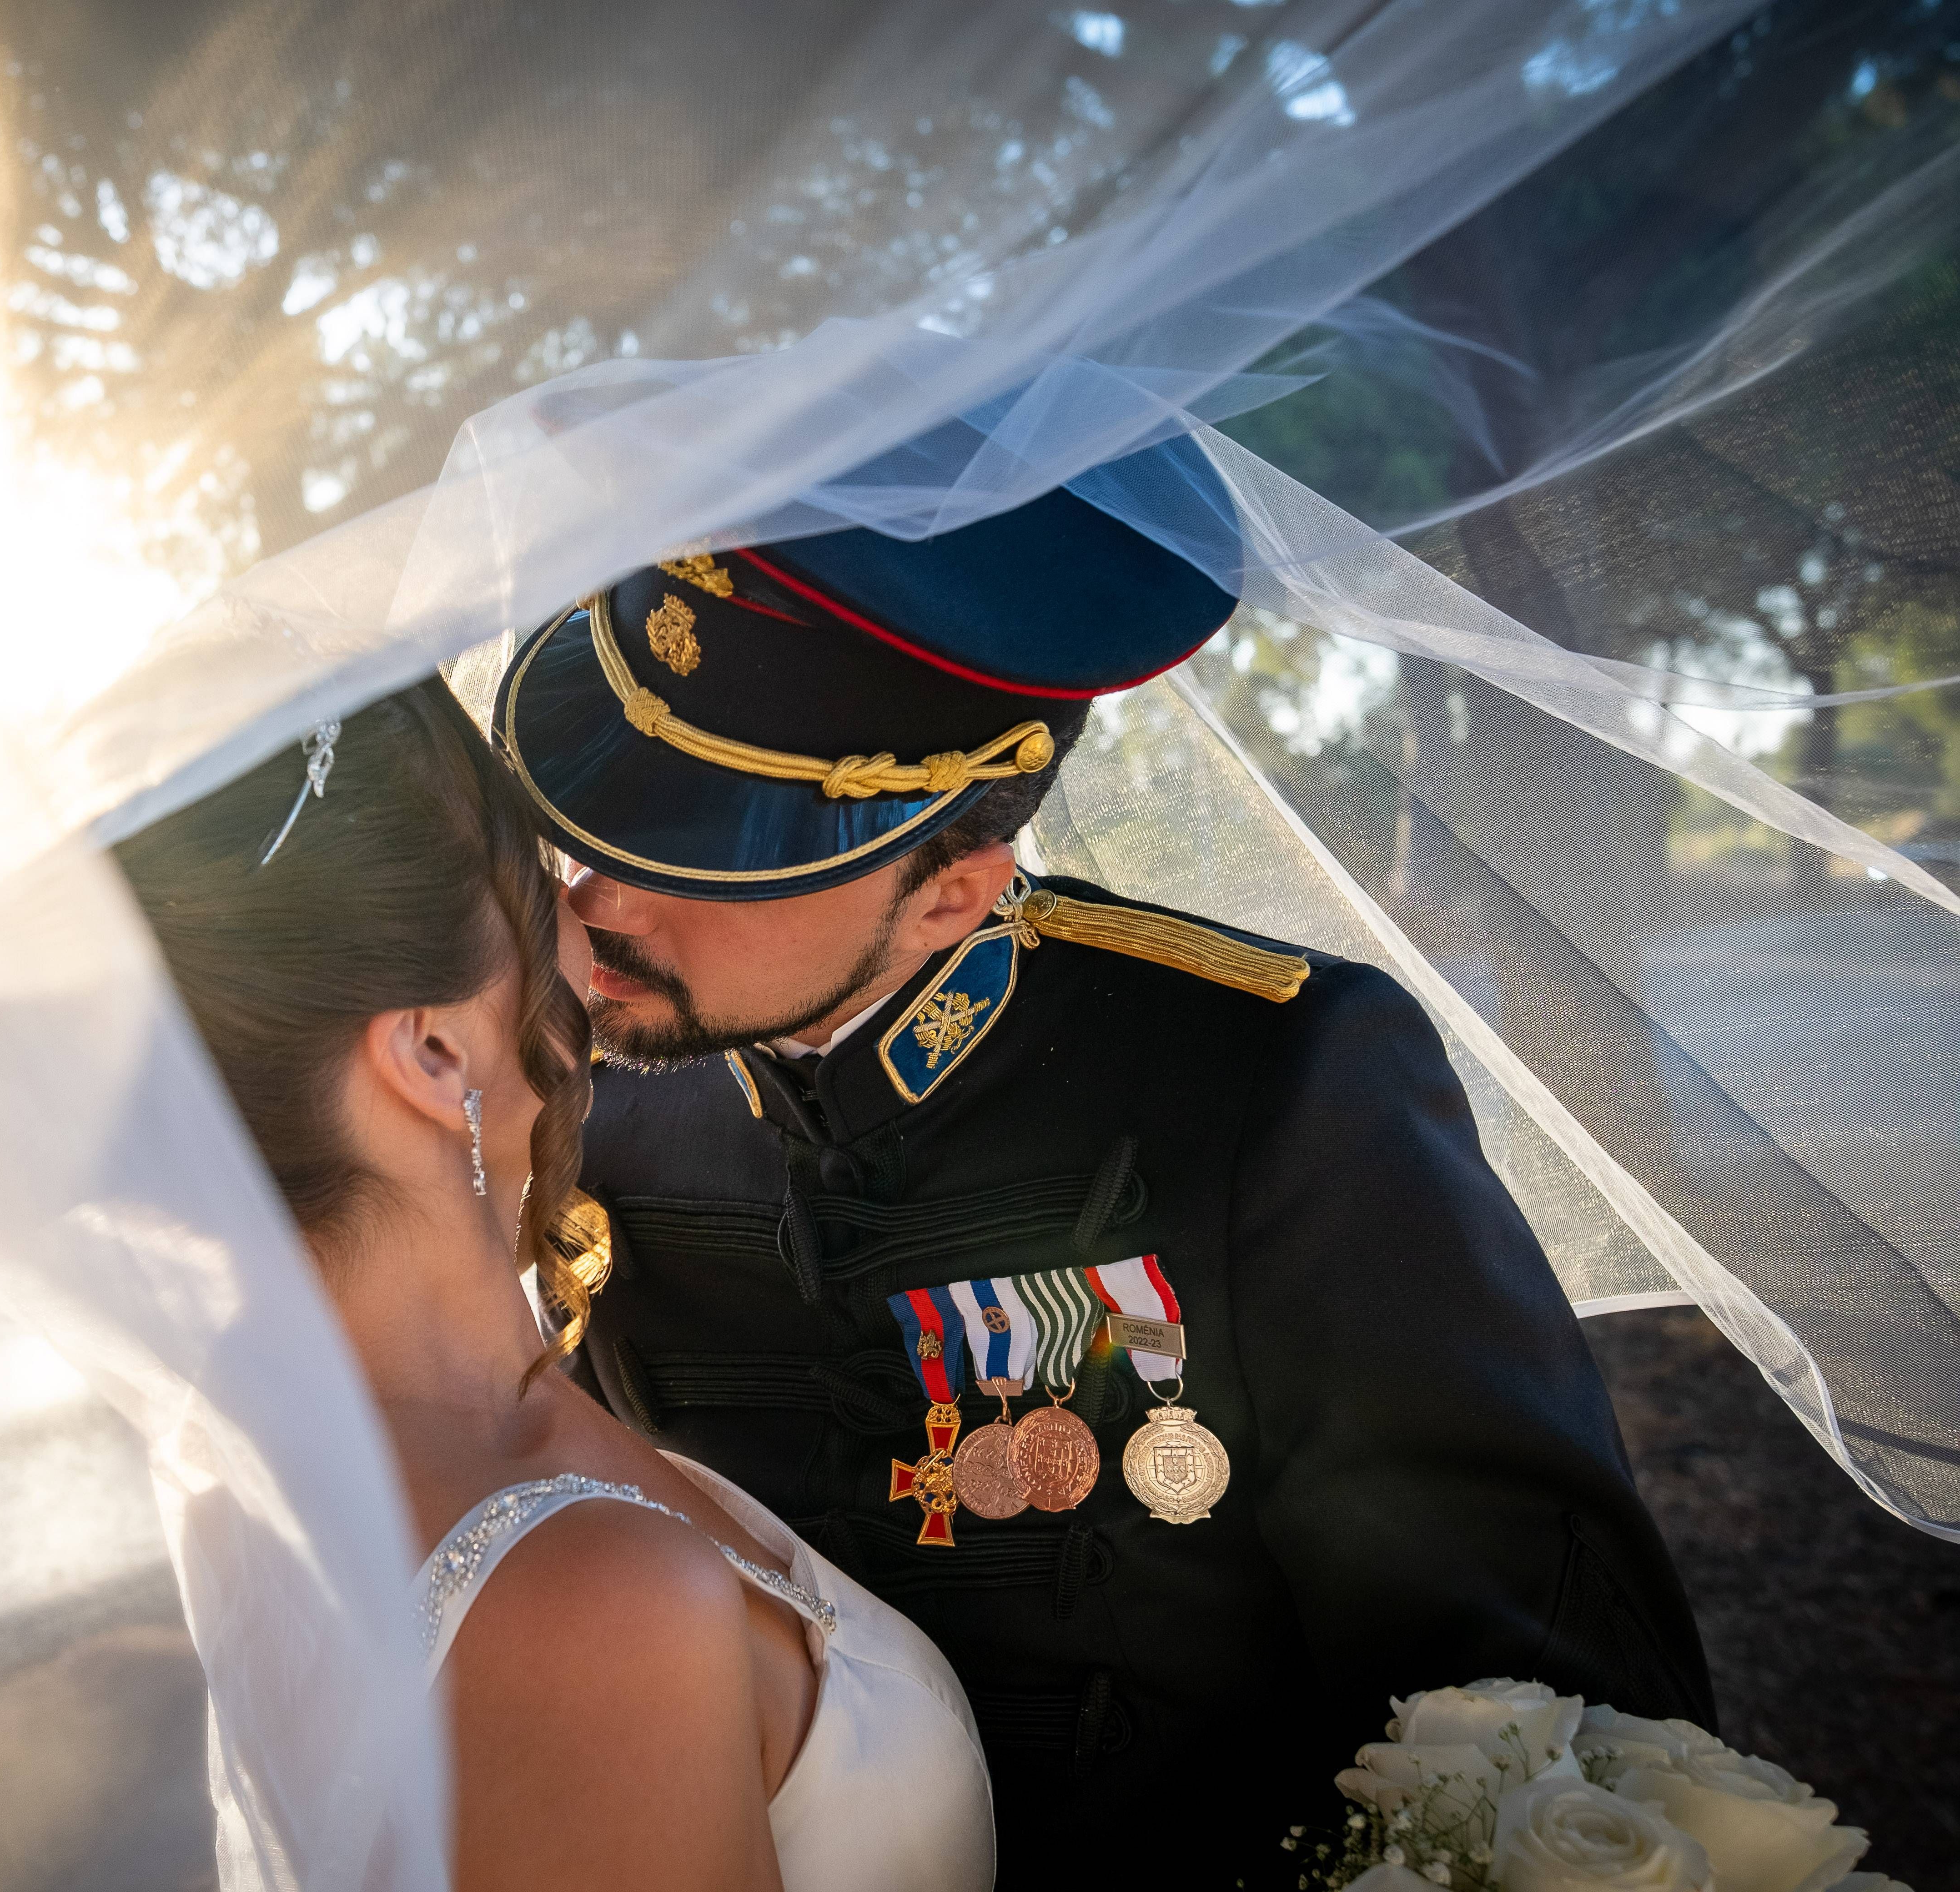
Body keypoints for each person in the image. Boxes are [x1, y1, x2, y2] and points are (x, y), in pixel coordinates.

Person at [490, 430, 1715, 1885]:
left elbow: (1531, 1697)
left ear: (951, 894)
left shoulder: (1261, 1075)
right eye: (596, 821)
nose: (597, 898)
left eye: (705, 856)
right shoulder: (595, 1105)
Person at [112, 681, 994, 1891]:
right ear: (434, 1051)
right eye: (534, 883)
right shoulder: (600, 1617)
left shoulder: (259, 1425)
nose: (585, 916)